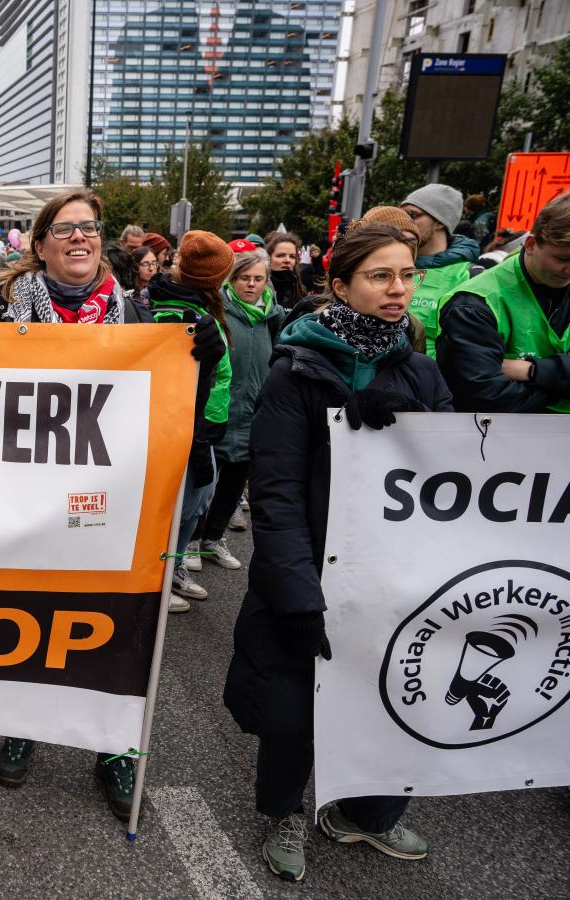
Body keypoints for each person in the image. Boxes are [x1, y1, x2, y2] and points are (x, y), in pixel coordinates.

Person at [0, 182, 225, 820]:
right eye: (65, 228)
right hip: (21, 503)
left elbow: (176, 416)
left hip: (109, 505)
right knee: (26, 619)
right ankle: (25, 723)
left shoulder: (139, 319)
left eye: (89, 228)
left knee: (114, 624)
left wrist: (202, 363)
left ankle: (114, 745)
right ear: (40, 245)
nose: (79, 237)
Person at [224, 223, 448, 883]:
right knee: (293, 710)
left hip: (395, 578)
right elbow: (276, 493)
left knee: (390, 698)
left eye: (407, 274)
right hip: (311, 573)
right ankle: (283, 811)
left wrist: (413, 424)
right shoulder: (296, 372)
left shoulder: (421, 370)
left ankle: (367, 813)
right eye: (381, 276)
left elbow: (455, 476)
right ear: (342, 286)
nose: (398, 289)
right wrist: (296, 595)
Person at [147, 233, 234, 608]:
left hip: (205, 426)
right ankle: (158, 578)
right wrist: (197, 434)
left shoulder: (200, 304)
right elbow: (178, 384)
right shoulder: (178, 313)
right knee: (180, 508)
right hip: (185, 429)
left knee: (198, 501)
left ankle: (172, 567)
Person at [187, 246, 284, 575]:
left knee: (233, 484)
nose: (251, 284)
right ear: (231, 280)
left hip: (252, 415)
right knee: (204, 485)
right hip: (218, 413)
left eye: (258, 278)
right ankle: (190, 541)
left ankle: (213, 539)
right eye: (244, 278)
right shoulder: (218, 313)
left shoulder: (273, 317)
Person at [436, 192, 570, 414]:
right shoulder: (473, 303)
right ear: (530, 244)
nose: (568, 271)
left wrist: (531, 371)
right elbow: (484, 394)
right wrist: (561, 390)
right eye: (563, 259)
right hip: (501, 432)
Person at [399, 184, 481, 356]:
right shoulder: (387, 264)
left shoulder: (470, 276)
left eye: (412, 215)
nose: (403, 222)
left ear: (439, 222)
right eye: (400, 215)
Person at [263, 232, 306, 310]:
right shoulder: (259, 289)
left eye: (292, 256)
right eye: (280, 256)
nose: (287, 260)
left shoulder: (300, 291)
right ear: (269, 258)